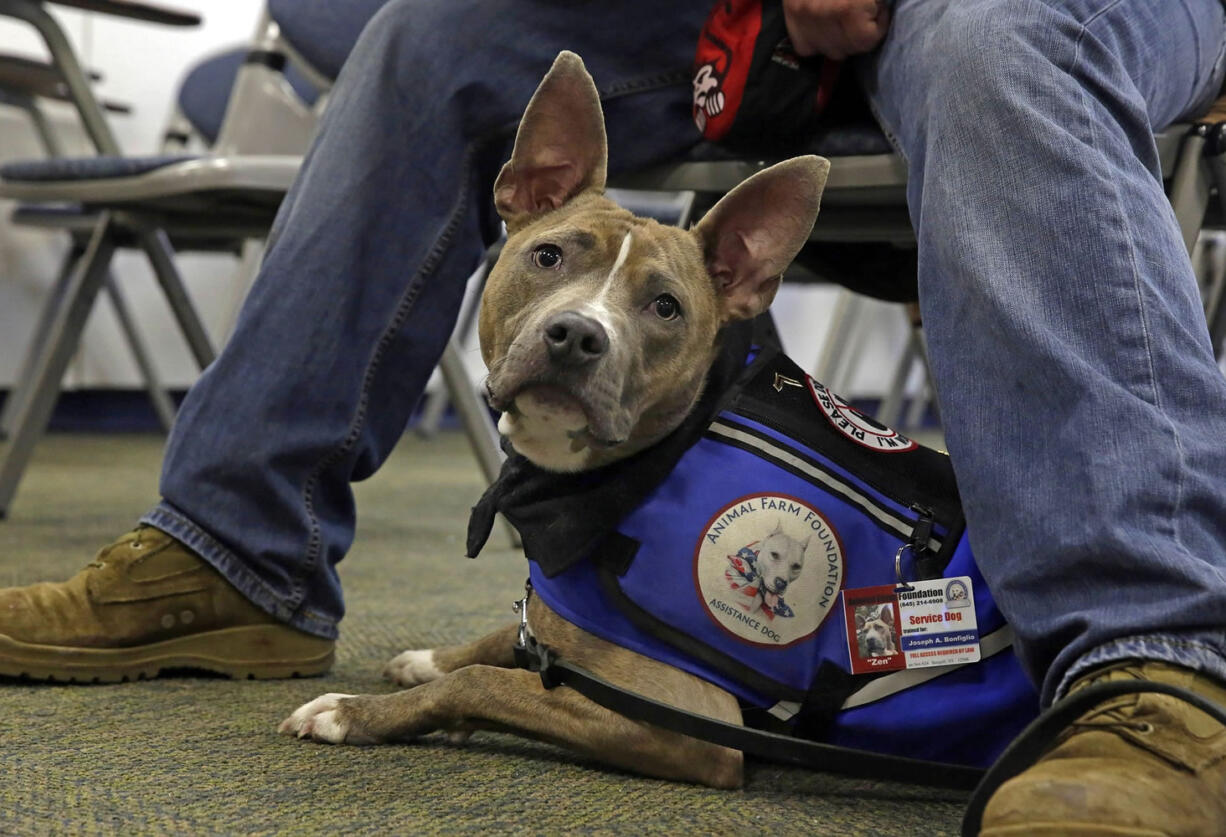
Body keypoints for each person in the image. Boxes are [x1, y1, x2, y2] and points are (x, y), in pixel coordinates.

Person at [2, 0, 1224, 830]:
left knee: (996, 47)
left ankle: (1152, 665)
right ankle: (229, 552)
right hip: (749, 20)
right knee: (436, 32)